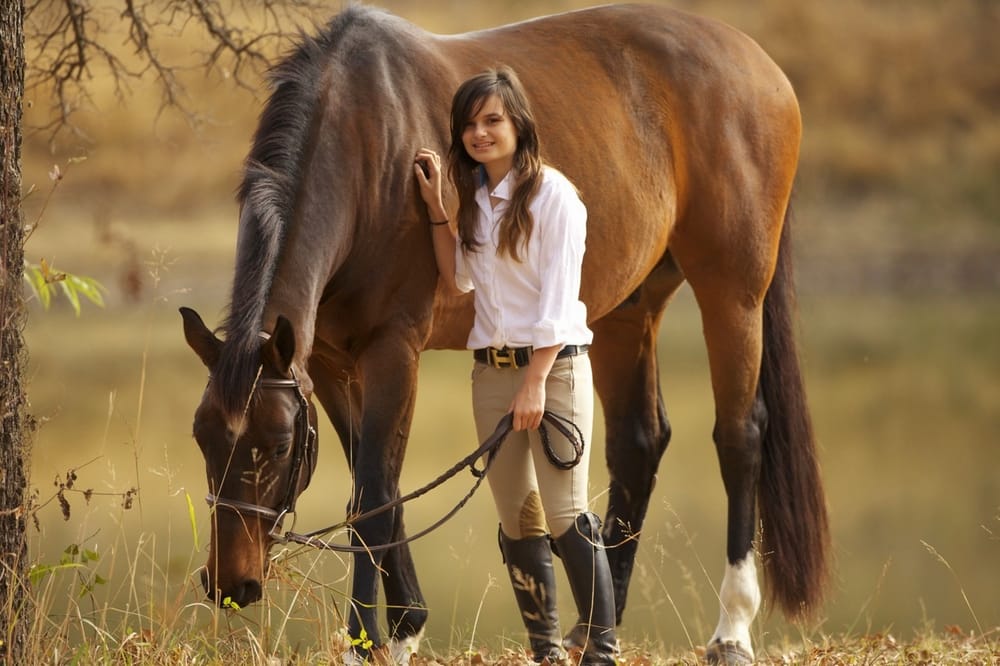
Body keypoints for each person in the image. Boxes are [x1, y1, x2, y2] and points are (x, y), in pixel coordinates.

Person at [414, 66, 617, 665]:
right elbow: (458, 279)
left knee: (563, 516)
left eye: (492, 120)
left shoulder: (554, 196)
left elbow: (558, 301)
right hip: (490, 374)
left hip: (551, 372)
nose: (480, 133)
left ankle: (602, 651)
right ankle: (546, 653)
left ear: (519, 123)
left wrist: (533, 383)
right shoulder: (476, 201)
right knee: (518, 519)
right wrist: (436, 207)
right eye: (469, 124)